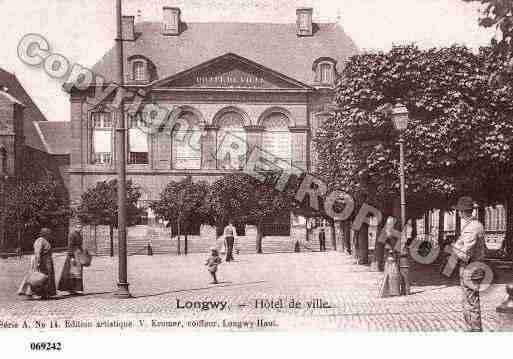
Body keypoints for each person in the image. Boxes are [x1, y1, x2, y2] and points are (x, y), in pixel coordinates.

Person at [452, 196, 486, 332]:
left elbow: (464, 254)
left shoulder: (471, 228)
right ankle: (472, 329)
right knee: (470, 302)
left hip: (470, 269)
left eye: (459, 211)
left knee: (470, 303)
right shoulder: (476, 225)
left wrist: (454, 249)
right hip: (475, 268)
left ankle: (474, 331)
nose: (458, 214)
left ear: (462, 212)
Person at [19, 228, 57, 300]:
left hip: (47, 260)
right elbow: (37, 252)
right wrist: (38, 262)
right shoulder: (40, 240)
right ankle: (30, 293)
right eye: (49, 234)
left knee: (46, 277)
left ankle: (45, 293)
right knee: (38, 277)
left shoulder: (45, 240)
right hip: (42, 261)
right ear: (45, 234)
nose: (50, 235)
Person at [58, 227, 87, 295]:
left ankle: (77, 289)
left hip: (78, 254)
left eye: (81, 227)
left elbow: (80, 246)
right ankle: (71, 289)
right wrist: (71, 257)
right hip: (73, 254)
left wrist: (83, 253)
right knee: (72, 272)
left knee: (78, 272)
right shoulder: (72, 234)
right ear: (75, 227)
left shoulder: (79, 235)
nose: (80, 229)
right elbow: (70, 246)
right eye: (78, 227)